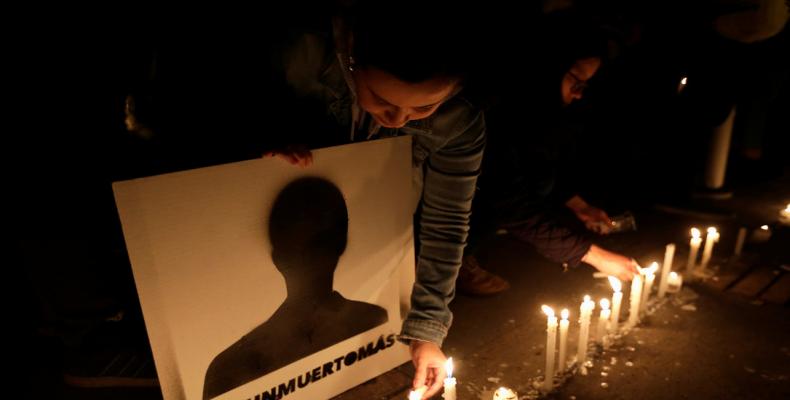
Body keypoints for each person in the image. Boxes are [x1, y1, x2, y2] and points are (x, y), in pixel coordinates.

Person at [456, 12, 638, 296]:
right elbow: (511, 204)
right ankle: (453, 257)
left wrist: (579, 205)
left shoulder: (543, 114)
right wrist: (595, 256)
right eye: (576, 81)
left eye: (585, 86)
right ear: (549, 67)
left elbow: (540, 166)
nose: (579, 94)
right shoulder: (495, 116)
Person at [203, 177, 388, 399]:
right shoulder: (229, 368)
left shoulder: (229, 366)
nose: (310, 260)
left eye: (318, 245)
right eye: (299, 250)